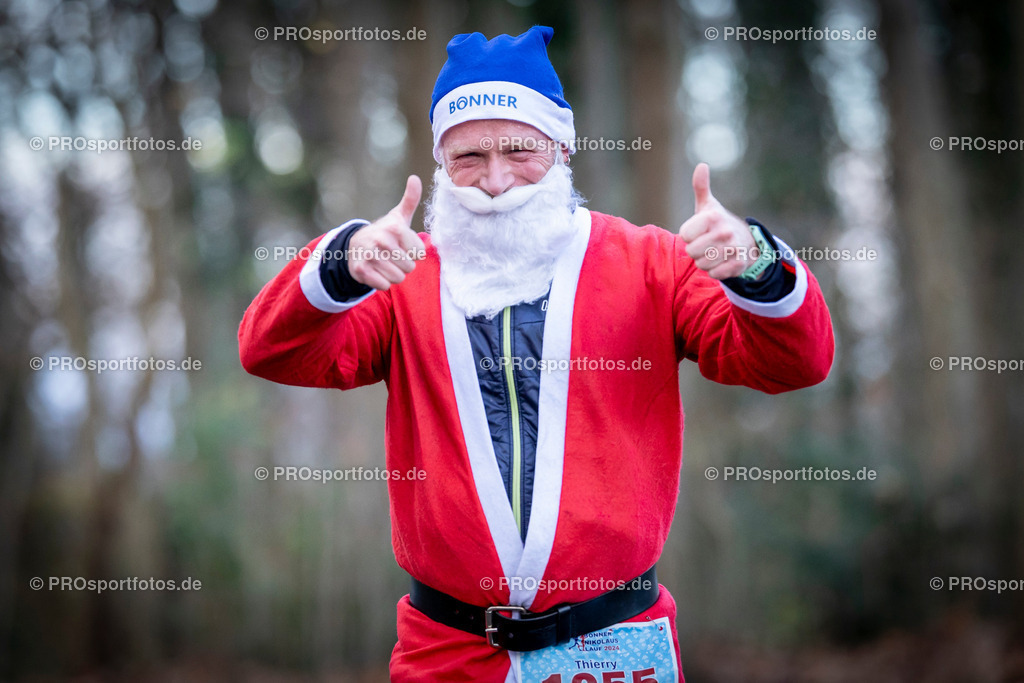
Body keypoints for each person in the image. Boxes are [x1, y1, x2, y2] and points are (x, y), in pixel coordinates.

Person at [239, 25, 833, 683]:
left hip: (615, 641)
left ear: (562, 148)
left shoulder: (651, 262)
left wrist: (759, 266)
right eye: (468, 156)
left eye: (520, 149)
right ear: (439, 165)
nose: (496, 180)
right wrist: (340, 263)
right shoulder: (401, 273)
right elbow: (270, 350)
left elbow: (795, 362)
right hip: (447, 650)